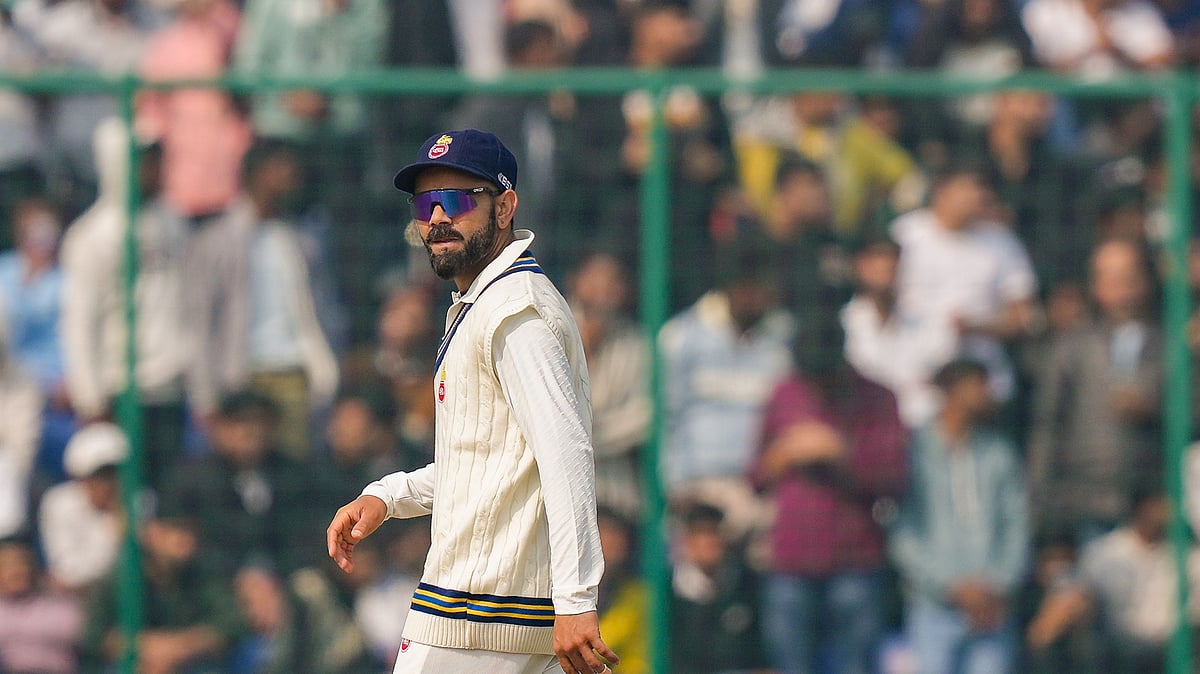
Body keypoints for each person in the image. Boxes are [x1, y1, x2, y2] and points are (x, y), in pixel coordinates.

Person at [326, 129, 618, 674]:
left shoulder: (514, 312)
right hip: (492, 615)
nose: (437, 217)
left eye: (457, 200)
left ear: (504, 207)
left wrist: (577, 599)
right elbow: (492, 463)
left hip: (479, 616)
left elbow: (566, 453)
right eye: (425, 204)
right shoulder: (484, 302)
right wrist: (390, 496)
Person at [749, 318, 909, 674]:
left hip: (855, 560)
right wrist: (783, 455)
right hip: (791, 561)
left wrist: (841, 453)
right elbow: (755, 476)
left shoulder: (878, 397)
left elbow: (895, 477)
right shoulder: (785, 393)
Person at [889, 359, 1030, 674]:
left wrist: (997, 584)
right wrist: (949, 585)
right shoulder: (912, 450)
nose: (989, 395)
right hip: (932, 606)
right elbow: (902, 531)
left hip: (991, 607)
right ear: (953, 390)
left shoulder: (999, 453)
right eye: (980, 385)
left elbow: (1016, 525)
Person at [38, 422, 128, 593]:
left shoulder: (138, 502)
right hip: (75, 602)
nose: (109, 483)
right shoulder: (59, 503)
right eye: (100, 475)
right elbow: (67, 573)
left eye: (114, 474)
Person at [0, 536, 84, 674]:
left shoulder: (58, 602)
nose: (16, 571)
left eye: (21, 564)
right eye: (8, 566)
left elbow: (76, 631)